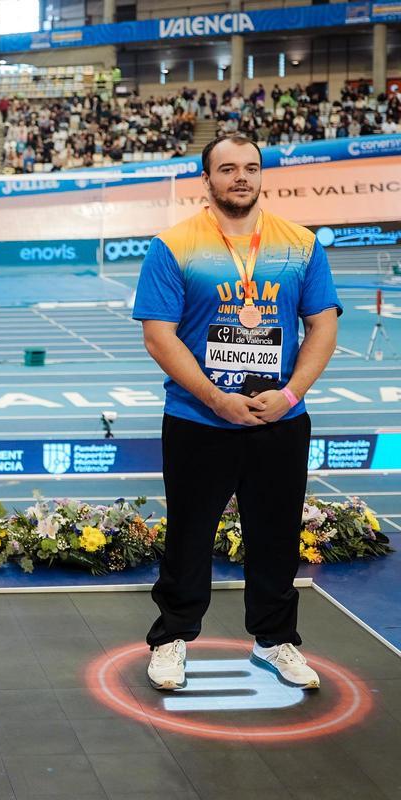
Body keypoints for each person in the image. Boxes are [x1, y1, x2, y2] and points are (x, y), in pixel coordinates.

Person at [133, 133, 341, 692]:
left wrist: (290, 395)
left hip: (280, 420)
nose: (241, 177)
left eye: (251, 167)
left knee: (276, 536)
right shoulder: (173, 246)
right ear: (207, 180)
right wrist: (215, 398)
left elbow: (323, 327)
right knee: (189, 535)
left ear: (261, 176)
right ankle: (172, 638)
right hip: (199, 420)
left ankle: (275, 641)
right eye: (227, 169)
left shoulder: (301, 244)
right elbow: (159, 336)